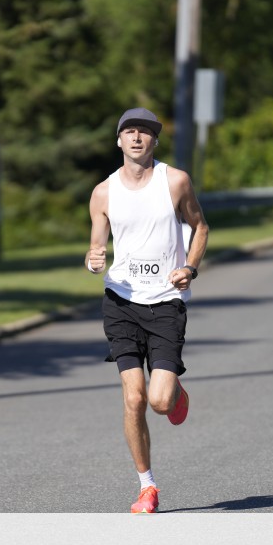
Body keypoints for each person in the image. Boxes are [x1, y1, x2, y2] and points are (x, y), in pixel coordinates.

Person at [86, 107, 209, 514]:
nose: (137, 138)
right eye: (130, 131)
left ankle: (174, 394)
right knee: (134, 397)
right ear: (118, 140)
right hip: (120, 301)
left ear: (155, 140)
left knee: (158, 401)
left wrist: (189, 268)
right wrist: (94, 259)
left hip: (166, 302)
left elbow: (201, 227)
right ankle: (147, 487)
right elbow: (96, 246)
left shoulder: (174, 181)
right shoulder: (103, 192)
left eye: (145, 132)